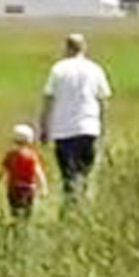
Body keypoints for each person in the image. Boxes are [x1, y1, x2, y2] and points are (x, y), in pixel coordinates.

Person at [38, 32, 111, 199]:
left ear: (67, 48)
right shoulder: (95, 69)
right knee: (85, 174)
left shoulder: (58, 69)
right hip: (89, 128)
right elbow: (103, 100)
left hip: (63, 130)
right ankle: (83, 207)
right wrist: (103, 129)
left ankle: (70, 207)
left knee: (68, 176)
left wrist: (44, 127)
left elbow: (49, 98)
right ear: (84, 48)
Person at [0, 123, 45, 220]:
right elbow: (38, 172)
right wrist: (43, 187)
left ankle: (17, 228)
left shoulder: (10, 155)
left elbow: (2, 172)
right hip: (29, 188)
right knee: (27, 213)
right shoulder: (32, 156)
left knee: (15, 212)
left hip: (13, 188)